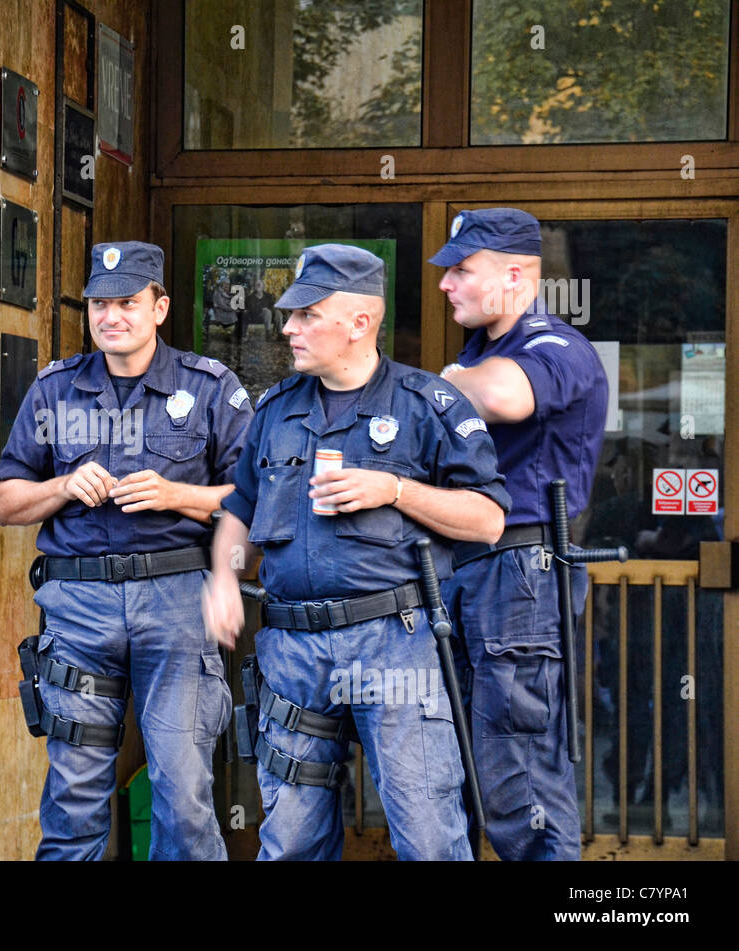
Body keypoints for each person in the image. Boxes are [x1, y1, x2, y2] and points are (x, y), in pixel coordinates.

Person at [203, 244, 510, 861]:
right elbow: (239, 506)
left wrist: (394, 489)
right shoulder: (274, 410)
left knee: (426, 832)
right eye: (290, 315)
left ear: (360, 323)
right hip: (291, 648)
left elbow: (488, 520)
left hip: (394, 641)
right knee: (290, 839)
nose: (287, 327)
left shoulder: (429, 405)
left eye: (307, 315)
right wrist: (224, 578)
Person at [0, 241, 252, 860]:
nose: (112, 316)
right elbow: (4, 502)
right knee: (74, 797)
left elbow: (256, 501)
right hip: (79, 607)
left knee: (182, 790)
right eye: (100, 304)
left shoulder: (210, 389)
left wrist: (177, 494)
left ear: (159, 307)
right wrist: (59, 485)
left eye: (128, 303)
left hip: (176, 601)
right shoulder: (54, 390)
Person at [434, 207, 609, 861]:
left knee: (520, 774)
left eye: (462, 269)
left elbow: (508, 397)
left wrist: (444, 384)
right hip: (469, 569)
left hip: (523, 573)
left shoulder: (553, 345)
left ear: (515, 274)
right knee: (460, 766)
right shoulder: (476, 354)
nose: (447, 283)